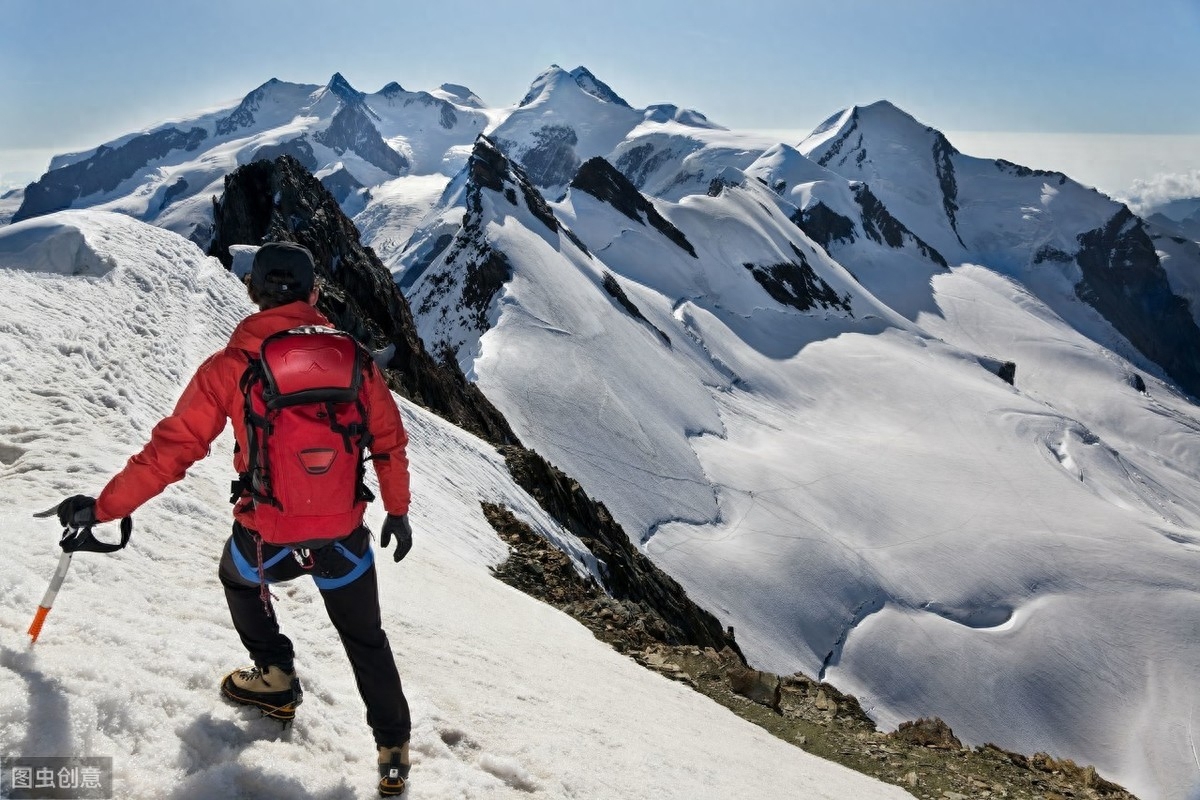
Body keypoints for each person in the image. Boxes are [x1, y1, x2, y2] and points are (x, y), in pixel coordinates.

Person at [54, 242, 415, 797]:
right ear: (313, 295)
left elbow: (171, 450)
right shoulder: (356, 360)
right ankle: (392, 751)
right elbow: (388, 441)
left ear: (252, 294)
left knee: (236, 577)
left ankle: (274, 673)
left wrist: (104, 508)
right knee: (365, 638)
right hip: (343, 535)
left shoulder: (232, 366)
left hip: (265, 536)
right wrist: (396, 510)